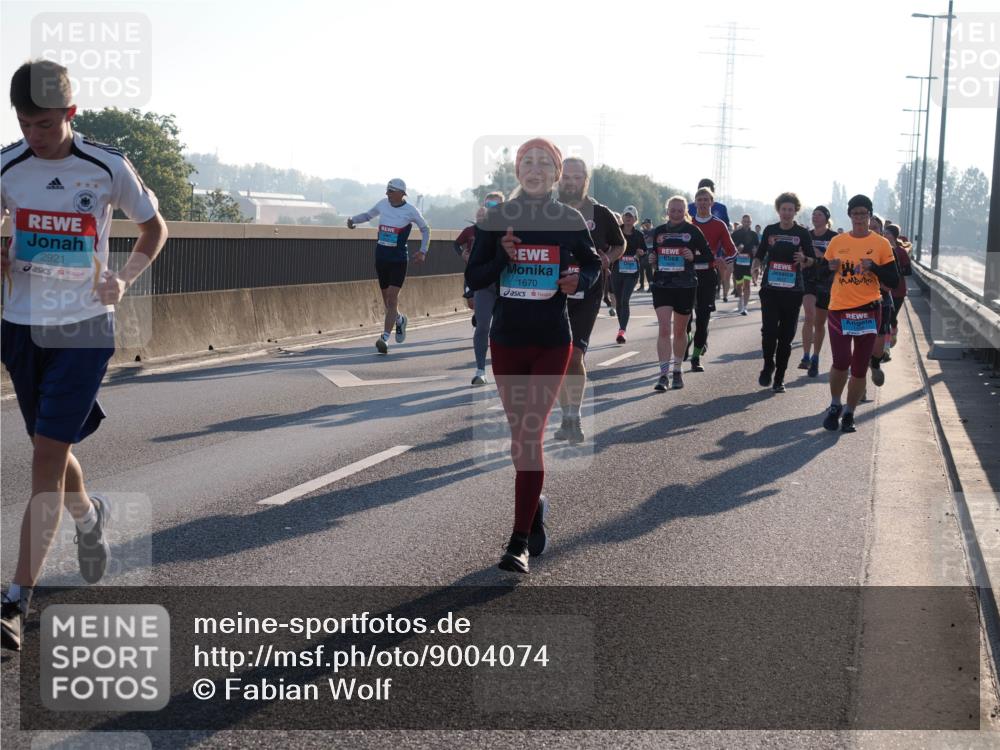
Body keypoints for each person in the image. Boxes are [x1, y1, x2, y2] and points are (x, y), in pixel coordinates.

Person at [1, 61, 168, 651]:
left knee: (45, 456)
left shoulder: (107, 166)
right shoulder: (7, 165)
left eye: (44, 125)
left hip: (83, 330)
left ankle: (16, 597)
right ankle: (89, 515)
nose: (33, 136)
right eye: (24, 124)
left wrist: (123, 277)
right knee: (52, 448)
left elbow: (154, 230)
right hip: (20, 326)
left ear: (70, 115)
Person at [465, 137, 600, 573]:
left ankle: (518, 541)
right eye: (528, 162)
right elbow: (474, 275)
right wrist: (502, 259)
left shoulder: (568, 218)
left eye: (545, 163)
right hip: (506, 340)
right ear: (518, 170)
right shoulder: (497, 218)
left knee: (529, 437)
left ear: (557, 174)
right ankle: (534, 502)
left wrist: (577, 277)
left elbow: (594, 263)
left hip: (550, 340)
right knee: (519, 441)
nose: (536, 169)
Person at [552, 157, 624, 444]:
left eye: (577, 177)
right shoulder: (547, 210)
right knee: (558, 357)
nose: (571, 182)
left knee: (574, 355)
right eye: (566, 177)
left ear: (586, 181)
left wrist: (608, 258)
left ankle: (575, 415)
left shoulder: (600, 213)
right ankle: (565, 416)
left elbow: (620, 243)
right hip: (552, 291)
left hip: (588, 292)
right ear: (559, 179)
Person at [821, 195, 899, 433]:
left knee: (859, 366)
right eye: (855, 213)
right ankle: (835, 404)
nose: (859, 218)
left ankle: (850, 413)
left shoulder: (881, 244)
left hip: (868, 310)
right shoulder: (837, 242)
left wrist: (874, 267)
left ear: (869, 215)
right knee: (841, 362)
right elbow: (821, 276)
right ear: (849, 215)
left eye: (864, 213)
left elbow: (893, 280)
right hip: (840, 310)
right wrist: (828, 268)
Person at [347, 178, 429, 354]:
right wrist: (352, 220)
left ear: (401, 193)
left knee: (392, 298)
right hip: (381, 258)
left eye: (391, 191)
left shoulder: (410, 210)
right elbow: (368, 215)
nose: (387, 193)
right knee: (387, 302)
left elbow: (425, 229)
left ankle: (384, 337)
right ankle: (399, 320)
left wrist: (423, 251)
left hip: (399, 260)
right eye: (387, 190)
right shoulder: (383, 204)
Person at [752, 192, 816, 392]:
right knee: (769, 332)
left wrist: (804, 259)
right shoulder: (770, 231)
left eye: (790, 209)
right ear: (778, 210)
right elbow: (760, 254)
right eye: (783, 209)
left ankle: (779, 377)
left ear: (796, 211)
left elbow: (813, 260)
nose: (786, 213)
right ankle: (768, 365)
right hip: (770, 290)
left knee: (786, 336)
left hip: (793, 291)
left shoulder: (802, 233)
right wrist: (754, 266)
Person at [649, 197, 710, 391]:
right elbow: (653, 255)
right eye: (672, 210)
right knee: (664, 329)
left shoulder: (692, 231)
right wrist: (652, 258)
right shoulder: (659, 231)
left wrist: (694, 256)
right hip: (662, 285)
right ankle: (663, 375)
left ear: (685, 212)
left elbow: (708, 254)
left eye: (679, 211)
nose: (675, 214)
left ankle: (677, 370)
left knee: (680, 331)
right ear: (667, 211)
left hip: (685, 285)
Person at [455, 192, 504, 385]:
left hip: (506, 285)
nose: (492, 208)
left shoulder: (512, 227)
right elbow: (472, 263)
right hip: (485, 285)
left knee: (503, 329)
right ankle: (480, 370)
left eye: (497, 205)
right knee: (483, 325)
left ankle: (504, 370)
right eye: (489, 204)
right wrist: (471, 288)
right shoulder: (478, 229)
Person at [687, 187, 737, 371]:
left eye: (705, 199)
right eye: (699, 199)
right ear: (694, 203)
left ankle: (695, 357)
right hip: (686, 274)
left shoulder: (719, 225)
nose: (702, 202)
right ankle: (687, 338)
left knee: (703, 318)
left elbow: (732, 251)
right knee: (684, 317)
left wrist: (722, 260)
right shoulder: (688, 223)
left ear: (712, 203)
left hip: (708, 275)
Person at [798, 206, 838, 377]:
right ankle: (805, 356)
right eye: (813, 214)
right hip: (808, 279)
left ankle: (815, 357)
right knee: (809, 315)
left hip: (826, 282)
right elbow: (801, 256)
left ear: (826, 218)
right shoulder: (807, 235)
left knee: (819, 323)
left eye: (819, 214)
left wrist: (819, 254)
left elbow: (836, 261)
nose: (815, 217)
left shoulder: (834, 237)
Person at [612, 205, 645, 344]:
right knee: (619, 301)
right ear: (623, 217)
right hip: (617, 270)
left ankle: (622, 330)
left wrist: (640, 253)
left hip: (632, 272)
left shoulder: (639, 235)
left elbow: (644, 250)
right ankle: (621, 328)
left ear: (635, 219)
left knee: (625, 300)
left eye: (631, 216)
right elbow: (608, 246)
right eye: (626, 215)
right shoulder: (615, 231)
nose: (628, 218)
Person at [884, 222, 912, 348]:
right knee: (886, 317)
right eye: (884, 233)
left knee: (891, 317)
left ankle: (894, 329)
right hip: (884, 289)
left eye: (887, 233)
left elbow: (908, 271)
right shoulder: (881, 249)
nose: (885, 235)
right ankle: (885, 345)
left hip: (898, 290)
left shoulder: (901, 252)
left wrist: (895, 271)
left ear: (894, 236)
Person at [731, 214, 759, 315]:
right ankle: (740, 299)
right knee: (739, 285)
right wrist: (737, 249)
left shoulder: (754, 234)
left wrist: (755, 251)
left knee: (747, 284)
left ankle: (745, 307)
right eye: (745, 221)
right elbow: (730, 247)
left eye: (748, 221)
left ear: (751, 222)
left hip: (748, 262)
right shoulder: (735, 234)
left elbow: (757, 247)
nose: (746, 223)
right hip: (738, 263)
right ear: (742, 222)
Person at [638, 218, 655, 292]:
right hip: (643, 251)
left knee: (649, 268)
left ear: (650, 224)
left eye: (647, 224)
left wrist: (646, 239)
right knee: (641, 268)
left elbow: (650, 239)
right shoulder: (642, 232)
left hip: (651, 250)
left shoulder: (653, 231)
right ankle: (642, 285)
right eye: (645, 224)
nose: (646, 225)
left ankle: (651, 285)